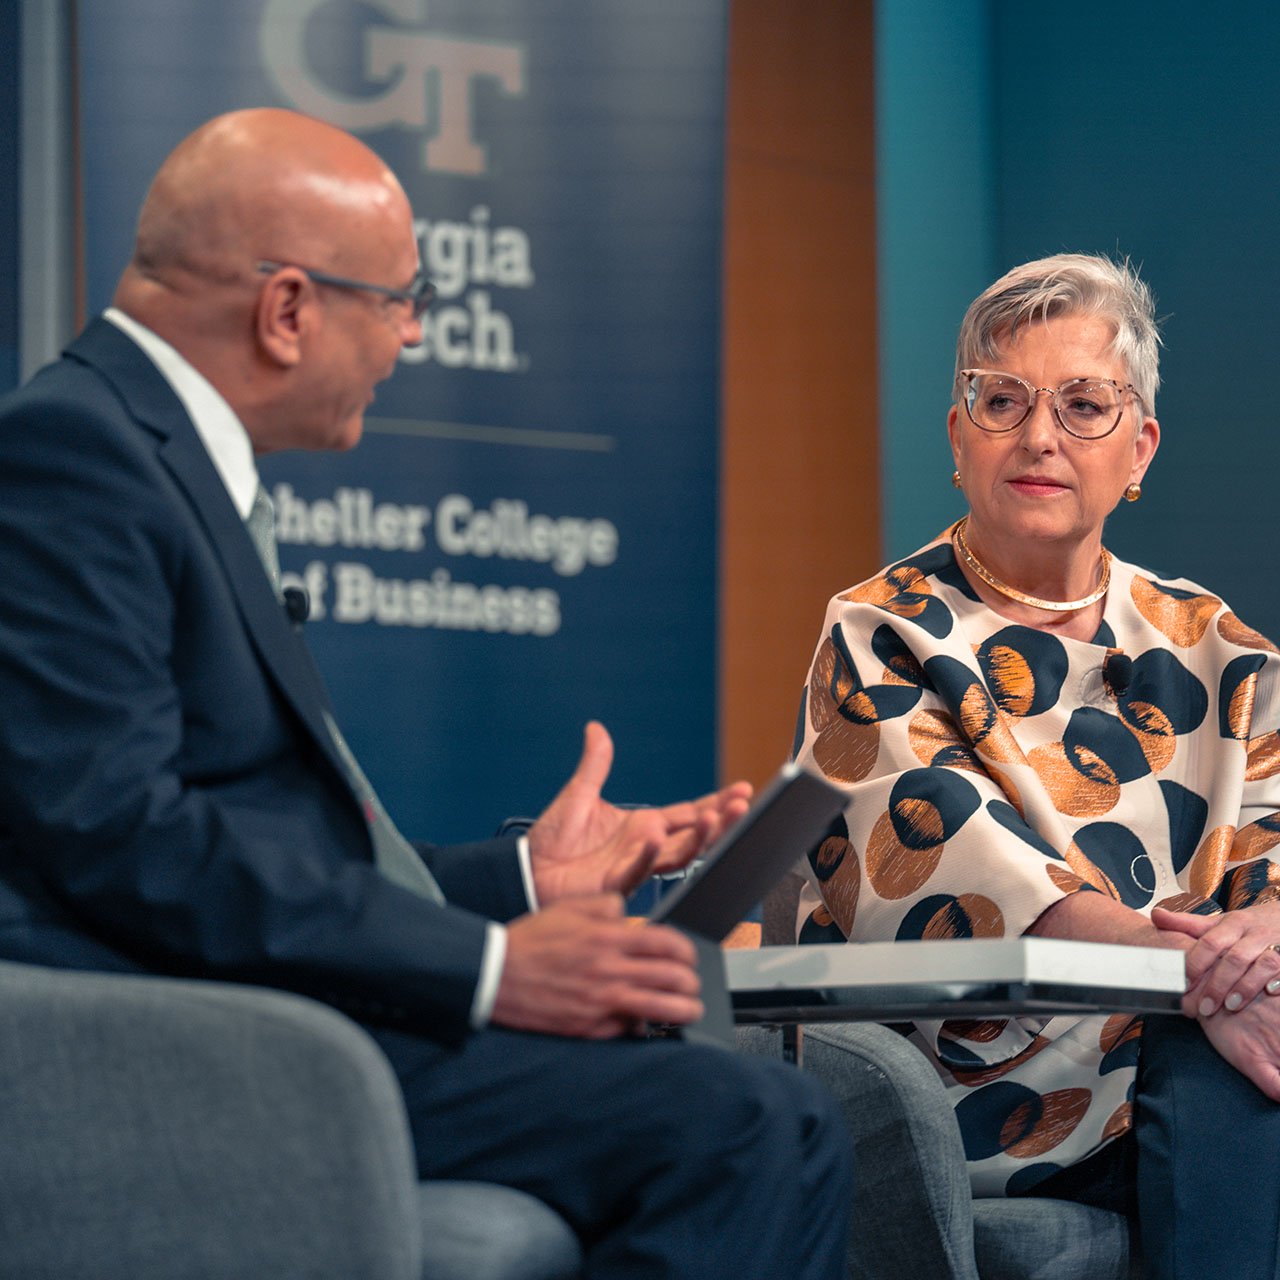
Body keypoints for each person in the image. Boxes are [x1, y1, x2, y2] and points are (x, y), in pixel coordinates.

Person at [0, 108, 853, 1277]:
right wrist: (494, 965)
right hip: (193, 1039)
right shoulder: (72, 454)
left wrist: (516, 884)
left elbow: (251, 842)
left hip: (271, 1001)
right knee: (756, 1123)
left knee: (748, 1098)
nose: (409, 337)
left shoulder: (146, 454)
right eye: (398, 300)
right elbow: (120, 833)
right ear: (287, 309)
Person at [791, 252, 1280, 1276]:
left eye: (1082, 404)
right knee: (1221, 1054)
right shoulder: (880, 633)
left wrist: (1248, 947)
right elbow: (953, 880)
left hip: (1206, 1035)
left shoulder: (1216, 643)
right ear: (957, 437)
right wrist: (1200, 973)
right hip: (985, 1080)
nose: (1038, 435)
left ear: (1138, 447)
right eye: (1000, 399)